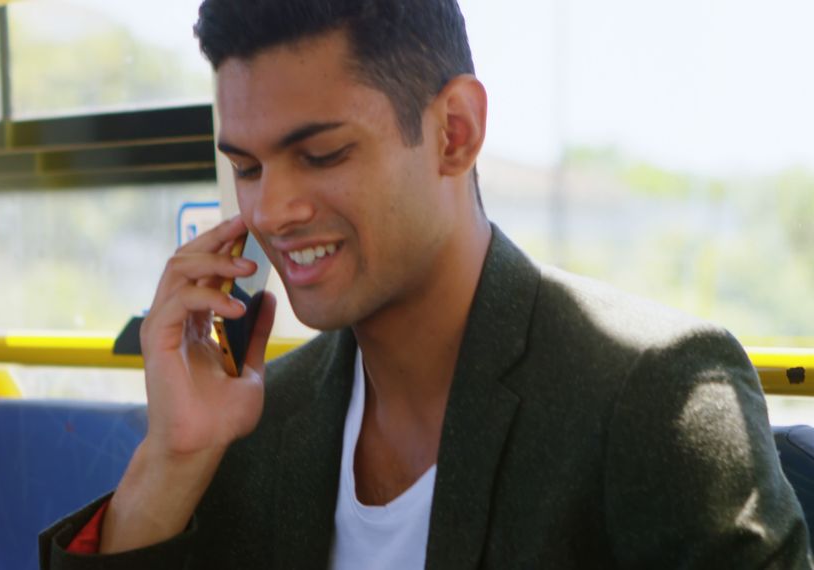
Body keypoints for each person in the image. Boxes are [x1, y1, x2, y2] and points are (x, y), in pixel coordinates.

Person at [41, 0, 812, 567]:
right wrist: (173, 459)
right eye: (246, 167)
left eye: (322, 155)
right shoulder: (254, 425)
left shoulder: (657, 397)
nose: (270, 210)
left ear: (454, 133)